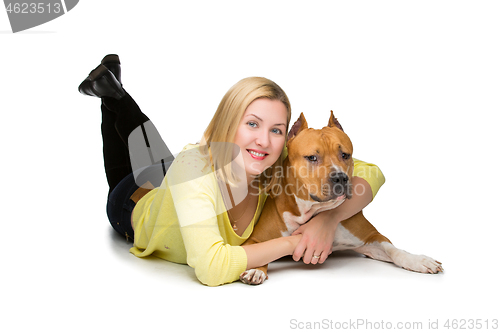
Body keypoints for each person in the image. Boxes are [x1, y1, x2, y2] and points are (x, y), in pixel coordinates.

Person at [79, 55, 385, 286]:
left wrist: (329, 220)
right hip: (135, 201)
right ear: (229, 122)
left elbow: (370, 172)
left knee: (162, 159)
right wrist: (297, 241)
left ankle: (111, 90)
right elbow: (212, 269)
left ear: (287, 138)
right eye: (252, 123)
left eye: (276, 130)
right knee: (129, 169)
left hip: (187, 173)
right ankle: (111, 96)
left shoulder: (279, 161)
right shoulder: (193, 168)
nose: (264, 140)